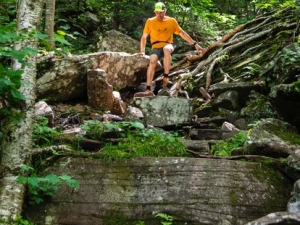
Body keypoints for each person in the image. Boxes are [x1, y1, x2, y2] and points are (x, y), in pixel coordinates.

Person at [139, 2, 204, 95]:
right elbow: (144, 37)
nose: (159, 14)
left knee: (166, 49)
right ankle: (148, 88)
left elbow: (183, 34)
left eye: (161, 12)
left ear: (165, 11)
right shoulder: (150, 21)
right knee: (152, 61)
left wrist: (195, 45)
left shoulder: (171, 21)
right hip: (156, 46)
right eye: (157, 12)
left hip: (167, 44)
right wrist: (142, 51)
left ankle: (166, 75)